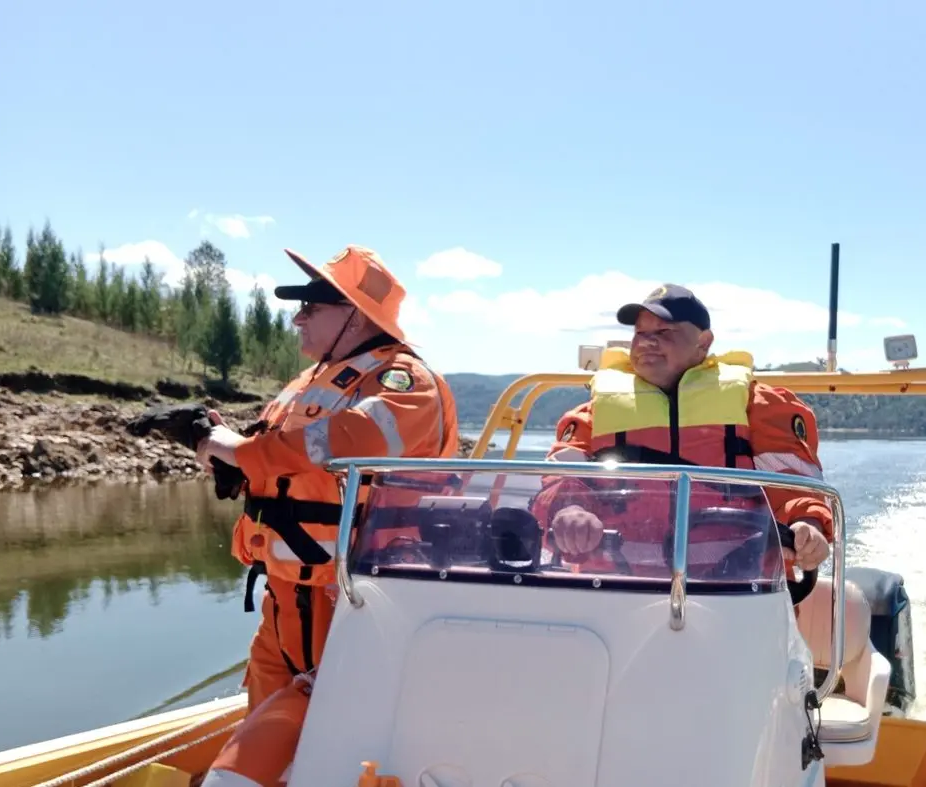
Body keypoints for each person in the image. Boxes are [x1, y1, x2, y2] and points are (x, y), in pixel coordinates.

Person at [196, 244, 460, 712]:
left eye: (311, 307)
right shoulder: (306, 384)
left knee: (340, 731)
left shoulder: (406, 382)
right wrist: (228, 463)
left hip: (355, 598)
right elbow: (280, 464)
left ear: (354, 317)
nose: (298, 319)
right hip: (284, 598)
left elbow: (346, 440)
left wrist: (238, 450)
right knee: (264, 722)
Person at [531, 284, 832, 582]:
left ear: (704, 342)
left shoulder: (761, 407)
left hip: (739, 591)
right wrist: (569, 509)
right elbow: (559, 483)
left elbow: (796, 488)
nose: (647, 343)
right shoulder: (592, 415)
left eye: (663, 333)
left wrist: (807, 525)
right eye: (640, 334)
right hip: (612, 591)